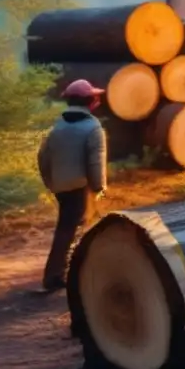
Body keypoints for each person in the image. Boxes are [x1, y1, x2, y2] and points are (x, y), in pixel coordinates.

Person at [36, 79, 108, 292]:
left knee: (68, 227)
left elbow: (43, 157)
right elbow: (95, 160)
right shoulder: (93, 127)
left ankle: (63, 272)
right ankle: (56, 276)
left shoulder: (58, 126)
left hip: (61, 186)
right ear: (90, 101)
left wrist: (51, 182)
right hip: (80, 186)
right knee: (71, 230)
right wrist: (98, 187)